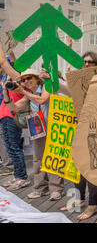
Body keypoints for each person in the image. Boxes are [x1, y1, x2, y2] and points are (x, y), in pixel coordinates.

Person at [2, 67, 64, 200]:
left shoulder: (47, 87)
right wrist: (6, 93)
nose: (26, 81)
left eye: (29, 78)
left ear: (36, 78)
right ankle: (41, 188)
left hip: (54, 126)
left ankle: (56, 189)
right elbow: (14, 108)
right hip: (38, 128)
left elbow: (42, 100)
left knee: (53, 158)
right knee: (38, 159)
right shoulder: (28, 94)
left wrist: (23, 91)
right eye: (24, 80)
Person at [59, 51, 97, 220]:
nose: (86, 64)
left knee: (92, 169)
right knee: (78, 167)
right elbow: (64, 89)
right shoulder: (79, 82)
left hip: (96, 130)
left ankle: (93, 205)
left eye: (90, 62)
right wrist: (50, 79)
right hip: (78, 129)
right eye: (84, 61)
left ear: (96, 64)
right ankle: (80, 200)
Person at [0, 44, 29, 191]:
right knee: (9, 147)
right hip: (5, 115)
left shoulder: (18, 78)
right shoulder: (5, 77)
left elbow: (8, 60)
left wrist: (4, 48)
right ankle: (18, 174)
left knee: (14, 147)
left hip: (12, 116)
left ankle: (22, 177)